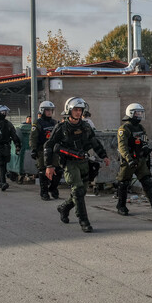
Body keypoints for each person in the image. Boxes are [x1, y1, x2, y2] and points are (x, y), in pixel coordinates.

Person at [44, 97, 110, 233]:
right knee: (78, 190)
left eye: (80, 110)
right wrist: (49, 165)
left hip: (84, 162)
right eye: (76, 110)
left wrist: (104, 155)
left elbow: (94, 142)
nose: (78, 112)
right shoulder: (61, 128)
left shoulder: (86, 126)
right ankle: (84, 221)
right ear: (69, 110)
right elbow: (49, 146)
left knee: (81, 191)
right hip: (69, 163)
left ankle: (64, 208)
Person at [116, 103, 152, 216]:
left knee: (147, 182)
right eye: (137, 113)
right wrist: (129, 159)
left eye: (140, 113)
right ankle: (121, 206)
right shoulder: (124, 128)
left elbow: (145, 140)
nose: (139, 115)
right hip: (129, 161)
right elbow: (122, 146)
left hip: (140, 160)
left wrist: (146, 148)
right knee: (124, 183)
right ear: (131, 113)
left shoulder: (140, 128)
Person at [30, 100, 63, 200]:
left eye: (51, 110)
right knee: (43, 171)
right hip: (41, 151)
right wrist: (34, 149)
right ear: (42, 111)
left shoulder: (54, 123)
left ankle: (53, 188)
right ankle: (44, 192)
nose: (49, 112)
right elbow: (33, 137)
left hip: (54, 151)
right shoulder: (37, 123)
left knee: (58, 171)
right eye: (47, 110)